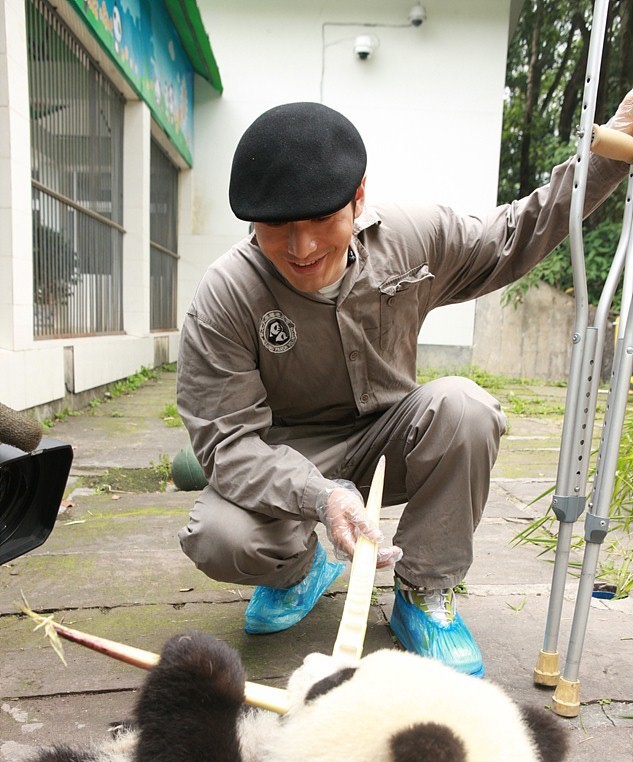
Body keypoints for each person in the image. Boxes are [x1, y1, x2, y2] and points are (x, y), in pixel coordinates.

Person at [177, 95, 633, 677]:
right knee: (221, 535)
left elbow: (516, 232)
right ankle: (299, 571)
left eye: (321, 219)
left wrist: (611, 148)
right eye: (276, 228)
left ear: (358, 196)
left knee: (467, 407)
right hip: (292, 456)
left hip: (396, 436)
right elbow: (227, 445)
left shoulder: (412, 237)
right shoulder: (226, 295)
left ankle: (422, 592)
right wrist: (323, 497)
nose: (303, 248)